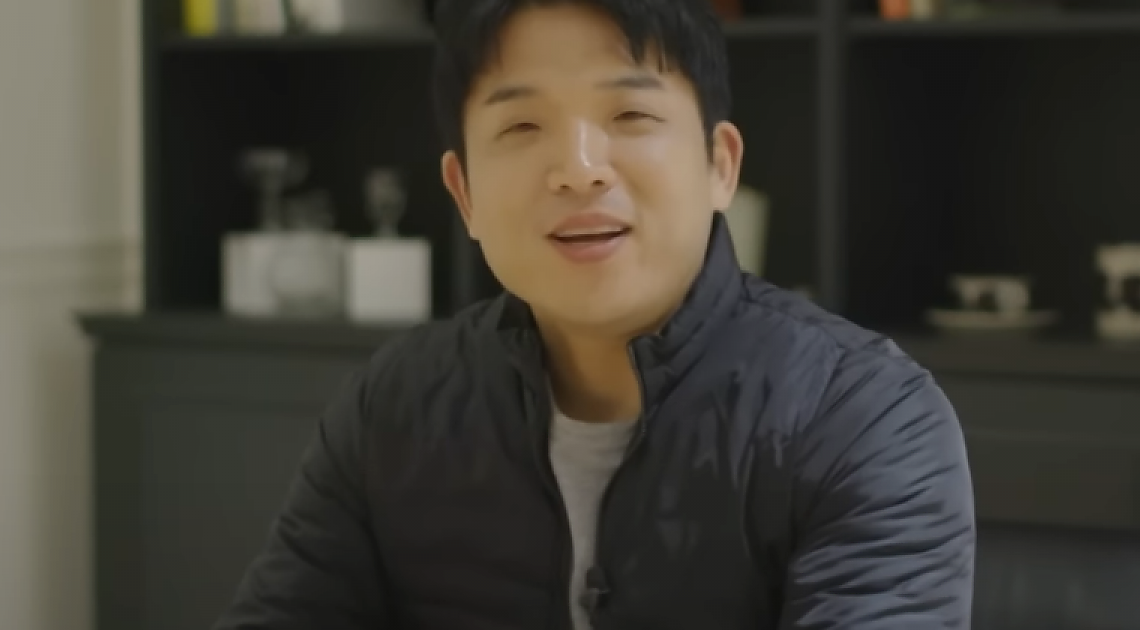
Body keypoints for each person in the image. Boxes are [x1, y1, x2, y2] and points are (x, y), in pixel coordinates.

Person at [213, 0, 976, 628]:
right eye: (521, 126)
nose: (578, 171)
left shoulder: (865, 418)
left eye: (631, 113)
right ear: (464, 194)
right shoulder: (394, 406)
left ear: (720, 165)